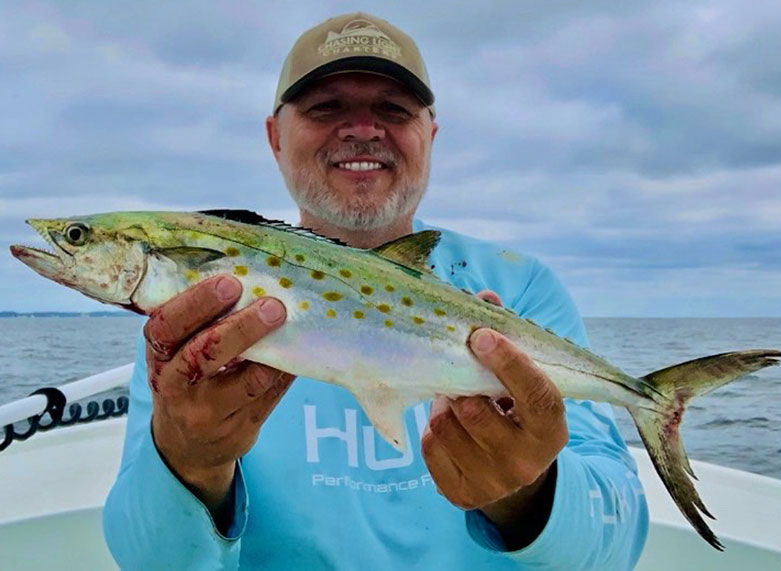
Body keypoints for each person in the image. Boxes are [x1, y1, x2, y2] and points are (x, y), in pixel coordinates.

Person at [103, 12, 648, 569]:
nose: (362, 129)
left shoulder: (520, 286)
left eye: (393, 108)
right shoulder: (201, 314)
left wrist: (530, 493)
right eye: (326, 107)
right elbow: (150, 561)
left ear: (429, 135)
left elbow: (615, 546)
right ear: (274, 137)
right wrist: (189, 463)